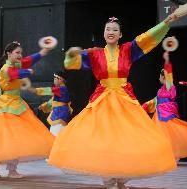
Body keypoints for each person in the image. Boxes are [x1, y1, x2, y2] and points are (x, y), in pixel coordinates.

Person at [48, 14, 179, 189]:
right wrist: (72, 54)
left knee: (126, 136)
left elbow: (148, 38)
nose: (111, 32)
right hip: (102, 98)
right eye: (108, 29)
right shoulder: (94, 53)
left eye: (115, 30)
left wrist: (165, 23)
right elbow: (70, 63)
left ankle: (123, 176)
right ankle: (108, 177)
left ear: (120, 34)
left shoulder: (128, 50)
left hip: (124, 98)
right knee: (104, 136)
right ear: (103, 33)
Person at [0, 41, 54, 178]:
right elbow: (13, 74)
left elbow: (30, 60)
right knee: (11, 139)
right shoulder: (6, 69)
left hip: (13, 106)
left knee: (5, 138)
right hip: (8, 107)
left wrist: (43, 51)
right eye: (17, 52)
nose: (20, 55)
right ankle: (8, 170)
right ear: (9, 53)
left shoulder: (16, 64)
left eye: (21, 52)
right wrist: (27, 71)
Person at [142, 51, 187, 160]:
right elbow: (155, 101)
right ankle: (162, 154)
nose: (159, 78)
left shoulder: (169, 86)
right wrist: (144, 106)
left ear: (164, 77)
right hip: (159, 115)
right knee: (159, 135)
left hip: (167, 115)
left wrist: (167, 60)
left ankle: (173, 154)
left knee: (171, 134)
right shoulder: (160, 90)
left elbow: (169, 74)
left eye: (160, 76)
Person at [28, 71, 72, 136]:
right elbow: (53, 100)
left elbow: (48, 90)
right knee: (54, 131)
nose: (54, 80)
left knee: (57, 133)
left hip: (60, 114)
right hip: (58, 113)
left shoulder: (62, 89)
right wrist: (45, 105)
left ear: (61, 80)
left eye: (55, 78)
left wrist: (36, 90)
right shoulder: (59, 90)